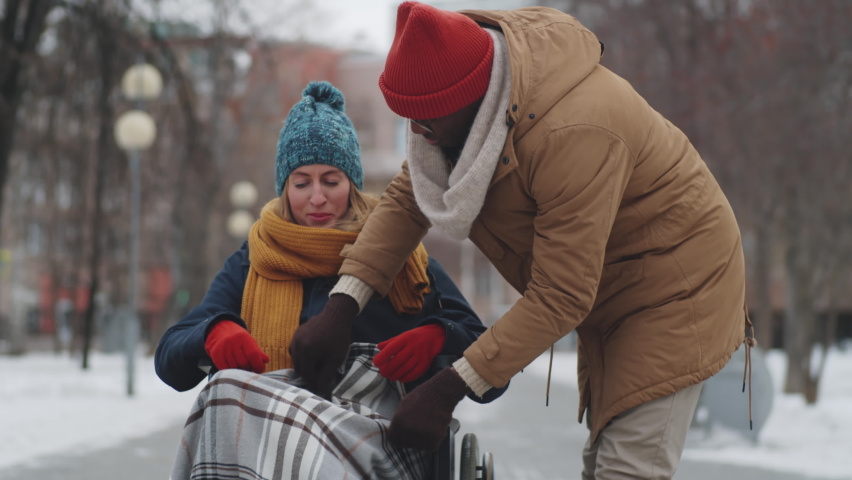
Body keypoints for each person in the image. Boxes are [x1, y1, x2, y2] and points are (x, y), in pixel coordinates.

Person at [288, 3, 752, 479]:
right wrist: (342, 306)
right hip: (611, 282)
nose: (417, 132)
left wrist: (450, 386)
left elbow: (562, 293)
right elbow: (410, 199)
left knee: (627, 467)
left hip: (675, 286)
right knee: (604, 458)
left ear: (469, 100)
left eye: (426, 119)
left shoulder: (574, 131)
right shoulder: (466, 116)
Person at [155, 81, 505, 480]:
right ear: (285, 189)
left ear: (352, 184)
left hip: (376, 437)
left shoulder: (401, 254)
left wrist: (440, 336)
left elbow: (491, 371)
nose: (316, 197)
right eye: (301, 183)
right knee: (222, 393)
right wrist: (213, 332)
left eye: (331, 181)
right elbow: (170, 360)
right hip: (268, 446)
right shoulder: (255, 258)